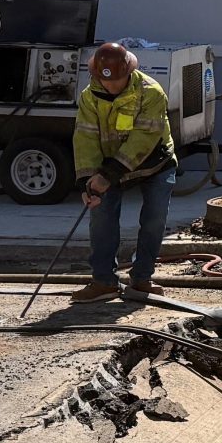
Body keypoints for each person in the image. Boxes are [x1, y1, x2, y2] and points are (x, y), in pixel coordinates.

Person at [67, 42, 177, 303]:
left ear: (129, 72)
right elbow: (85, 139)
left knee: (154, 220)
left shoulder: (151, 93)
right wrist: (87, 182)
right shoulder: (89, 96)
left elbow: (144, 139)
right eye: (106, 81)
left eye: (117, 80)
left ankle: (142, 278)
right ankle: (104, 281)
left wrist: (108, 174)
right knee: (101, 219)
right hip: (110, 167)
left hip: (155, 164)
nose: (111, 86)